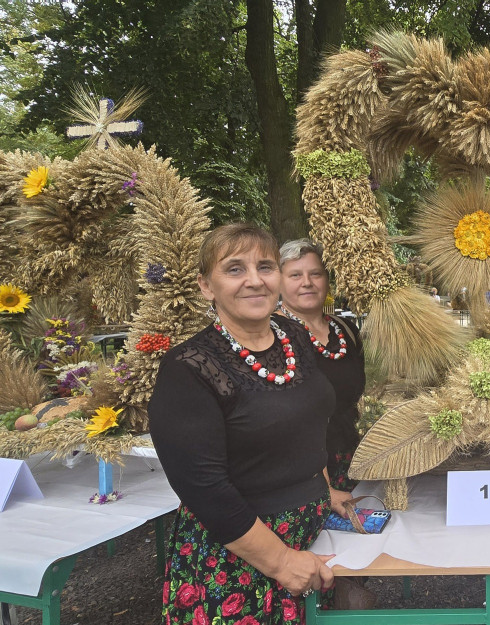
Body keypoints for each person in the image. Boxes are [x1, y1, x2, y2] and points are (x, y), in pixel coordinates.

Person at [149, 224, 339, 624]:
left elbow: (307, 421)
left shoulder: (292, 335)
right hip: (238, 556)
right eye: (235, 269)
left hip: (311, 539)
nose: (255, 280)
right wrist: (282, 561)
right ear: (206, 286)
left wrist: (323, 485)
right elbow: (204, 487)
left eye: (265, 267)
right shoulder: (189, 368)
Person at [277, 239, 365, 507]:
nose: (307, 282)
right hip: (299, 471)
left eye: (315, 273)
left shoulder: (346, 329)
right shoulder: (270, 335)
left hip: (350, 457)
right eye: (295, 275)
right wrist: (321, 486)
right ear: (278, 282)